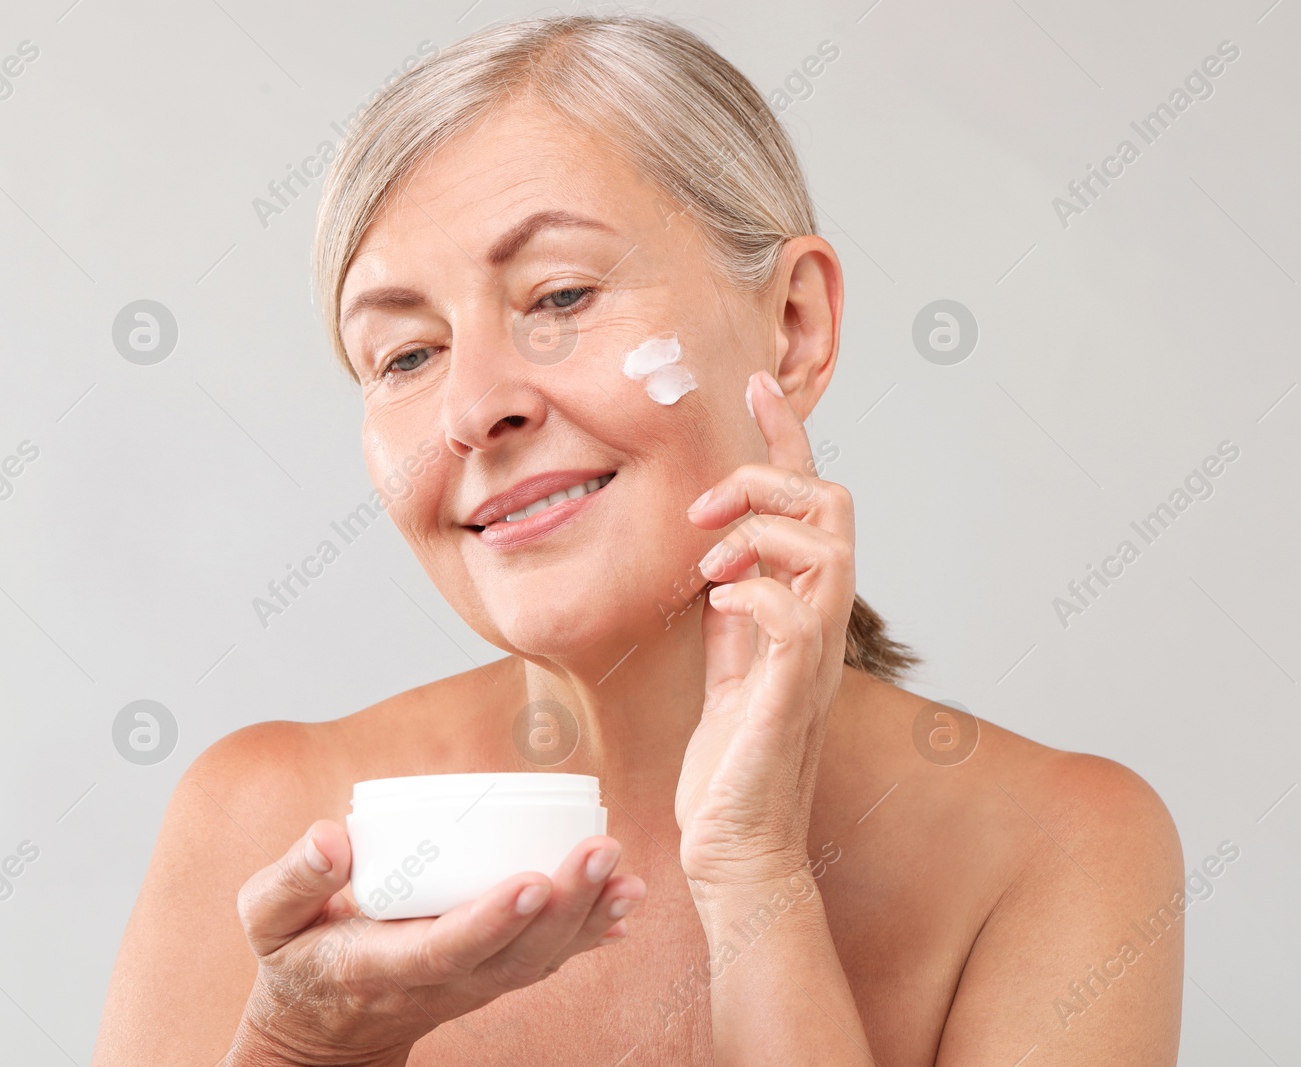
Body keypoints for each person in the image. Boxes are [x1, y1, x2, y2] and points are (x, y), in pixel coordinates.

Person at [93, 14, 1183, 1065]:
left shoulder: (1060, 846)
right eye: (406, 355)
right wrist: (299, 1046)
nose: (472, 407)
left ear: (794, 325)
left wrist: (754, 872)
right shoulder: (259, 816)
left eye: (560, 295)